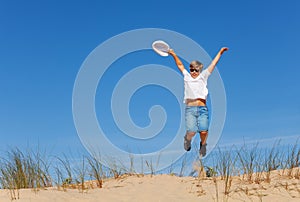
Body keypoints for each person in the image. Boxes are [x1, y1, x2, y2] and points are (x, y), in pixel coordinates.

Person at [168, 47, 228, 157]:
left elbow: (213, 64)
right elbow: (180, 65)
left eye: (196, 70)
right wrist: (173, 54)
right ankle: (187, 139)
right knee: (192, 131)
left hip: (202, 109)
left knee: (204, 131)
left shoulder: (203, 77)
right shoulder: (186, 76)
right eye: (192, 70)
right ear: (190, 70)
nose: (194, 72)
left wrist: (220, 52)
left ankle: (203, 145)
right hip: (190, 109)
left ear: (200, 71)